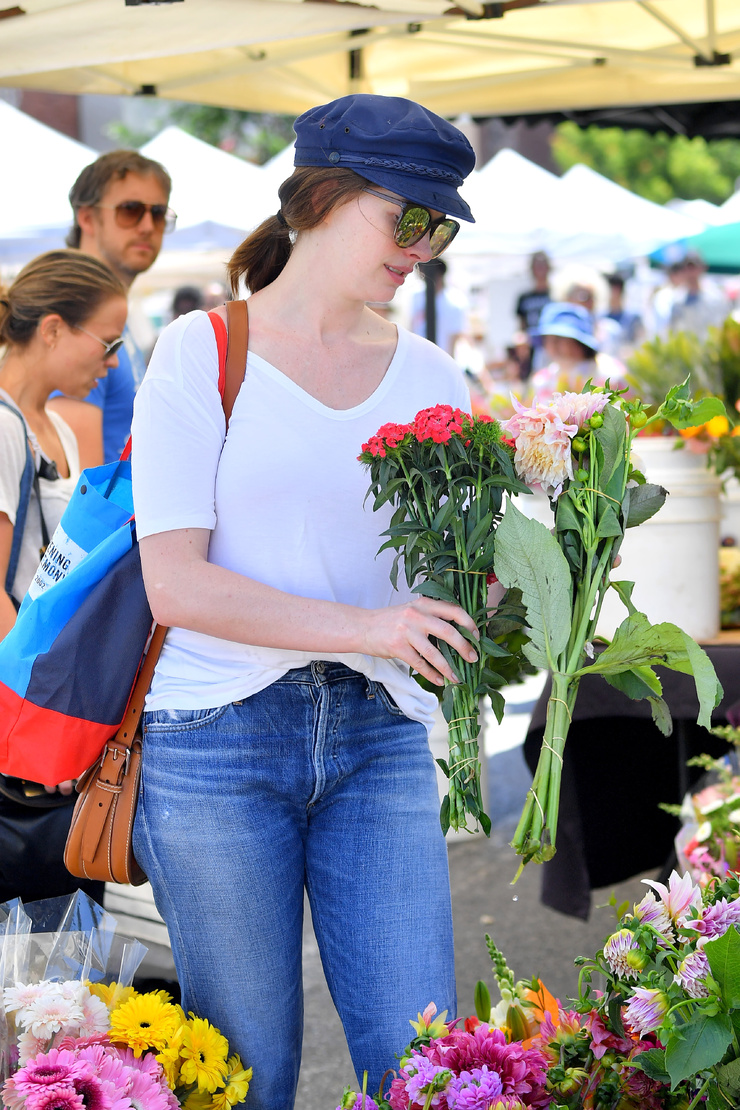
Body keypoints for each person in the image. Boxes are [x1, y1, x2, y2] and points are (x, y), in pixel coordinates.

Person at [130, 93, 478, 1110]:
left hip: (379, 733)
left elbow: (445, 583)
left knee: (423, 1067)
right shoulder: (200, 352)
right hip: (216, 741)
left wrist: (527, 566)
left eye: (441, 228)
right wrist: (371, 629)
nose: (423, 248)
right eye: (409, 217)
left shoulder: (435, 376)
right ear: (322, 197)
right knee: (248, 1077)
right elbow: (175, 582)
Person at [0, 249, 127, 902]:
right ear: (53, 329)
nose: (112, 363)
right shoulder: (4, 428)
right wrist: (36, 721)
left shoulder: (58, 429)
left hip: (46, 701)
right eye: (108, 343)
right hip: (23, 710)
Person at [47, 151, 173, 467]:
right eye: (130, 210)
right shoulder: (74, 311)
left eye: (158, 213)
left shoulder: (109, 314)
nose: (147, 226)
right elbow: (78, 482)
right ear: (87, 218)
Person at [529, 301, 625, 402]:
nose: (553, 346)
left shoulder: (611, 374)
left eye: (559, 339)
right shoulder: (542, 381)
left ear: (579, 343)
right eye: (547, 339)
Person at [410, 258, 468, 356]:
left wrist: (449, 358)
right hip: (420, 353)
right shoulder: (417, 297)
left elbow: (455, 335)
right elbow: (413, 325)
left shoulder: (454, 301)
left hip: (442, 353)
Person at [515, 250, 551, 368]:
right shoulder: (524, 297)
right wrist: (520, 340)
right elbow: (521, 326)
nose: (540, 269)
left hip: (552, 347)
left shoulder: (556, 295)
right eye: (537, 265)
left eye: (543, 265)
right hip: (531, 349)